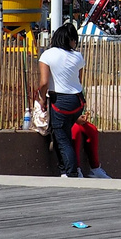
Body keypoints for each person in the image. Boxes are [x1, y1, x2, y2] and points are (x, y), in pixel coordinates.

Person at [36, 23, 86, 178]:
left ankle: (71, 173)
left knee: (63, 139)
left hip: (60, 101)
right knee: (60, 135)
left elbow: (44, 83)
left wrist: (42, 99)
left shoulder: (48, 55)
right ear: (70, 39)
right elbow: (79, 80)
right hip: (77, 100)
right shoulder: (78, 56)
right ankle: (64, 169)